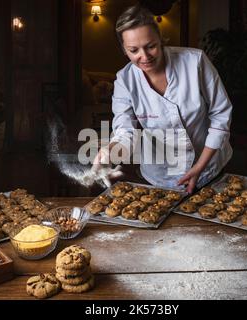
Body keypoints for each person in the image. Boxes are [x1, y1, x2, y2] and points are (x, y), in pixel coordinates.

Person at [92, 5, 233, 194]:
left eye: (151, 46)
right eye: (134, 50)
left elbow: (221, 114)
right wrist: (109, 152)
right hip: (159, 175)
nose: (144, 56)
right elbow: (126, 132)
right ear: (124, 49)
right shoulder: (124, 81)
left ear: (160, 38)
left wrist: (200, 166)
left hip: (208, 166)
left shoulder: (195, 62)